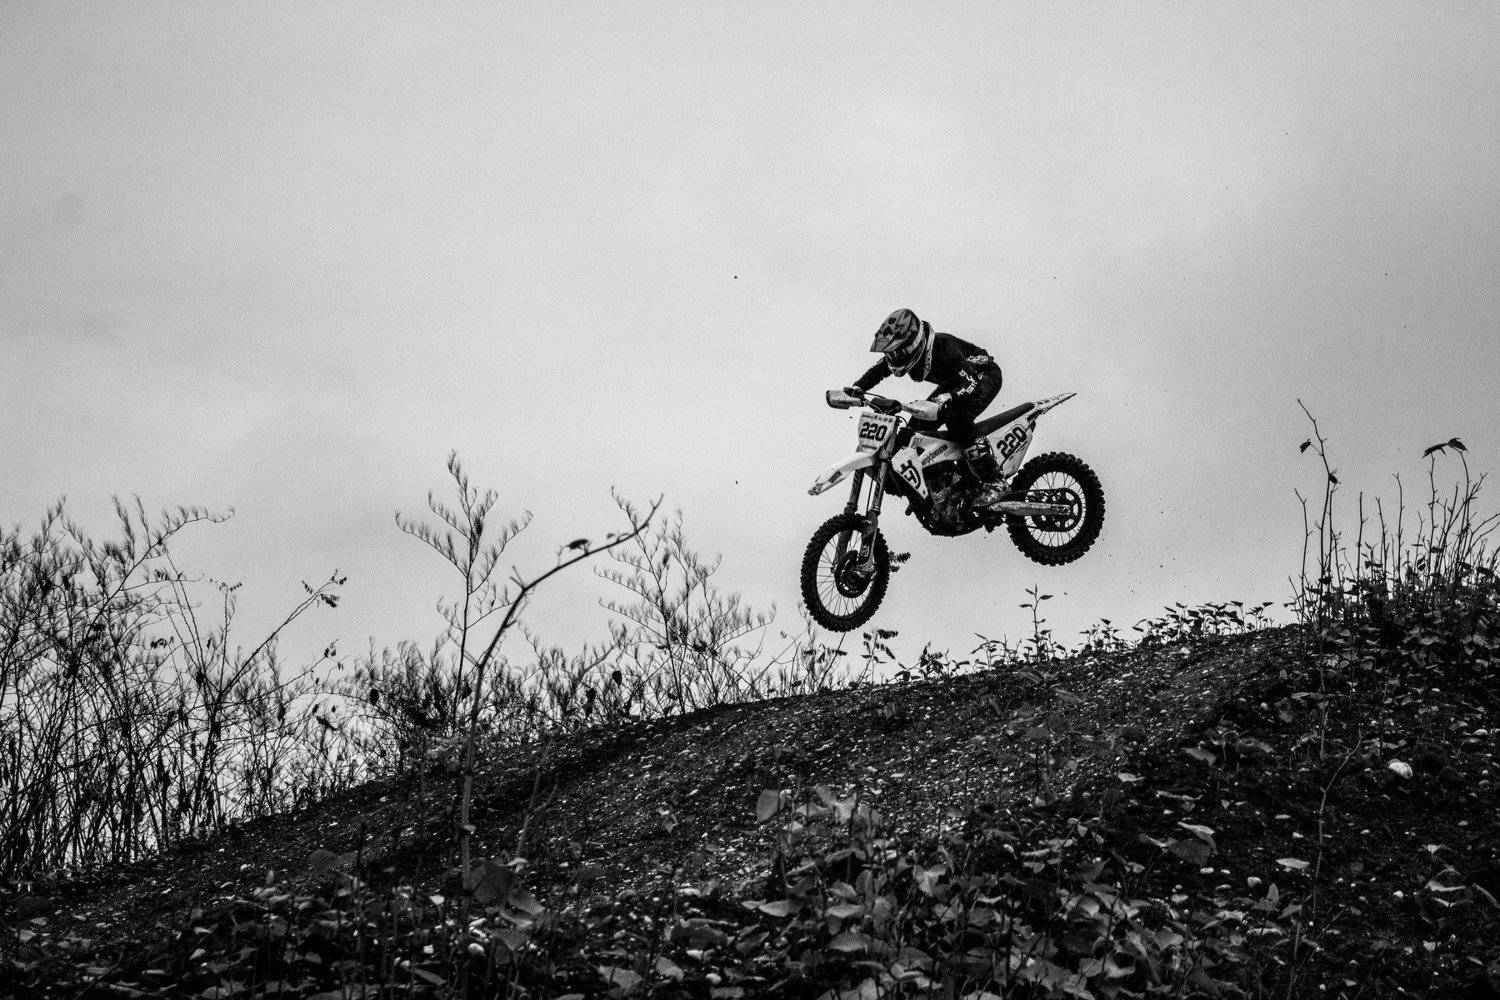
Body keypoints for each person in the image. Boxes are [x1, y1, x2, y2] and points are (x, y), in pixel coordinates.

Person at [849, 308, 1007, 506]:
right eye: (891, 352)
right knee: (914, 431)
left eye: (898, 351)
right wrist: (858, 388)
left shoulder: (945, 349)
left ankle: (995, 481)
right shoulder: (900, 356)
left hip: (982, 376)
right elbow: (878, 371)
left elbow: (970, 383)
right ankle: (940, 483)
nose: (894, 356)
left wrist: (949, 397)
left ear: (913, 342)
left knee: (957, 418)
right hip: (955, 382)